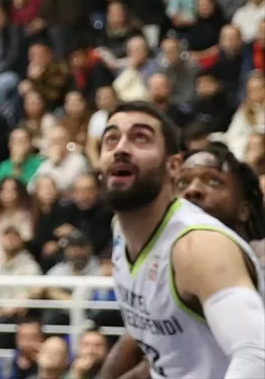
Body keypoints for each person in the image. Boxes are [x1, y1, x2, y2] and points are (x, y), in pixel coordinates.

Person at [97, 101, 265, 379]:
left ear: (174, 166)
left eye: (140, 138)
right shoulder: (122, 231)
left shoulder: (198, 246)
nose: (121, 148)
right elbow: (165, 357)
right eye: (111, 139)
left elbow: (256, 355)